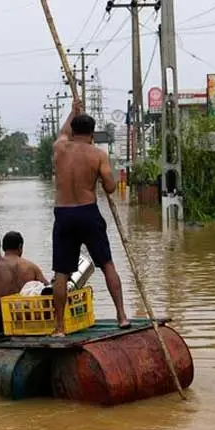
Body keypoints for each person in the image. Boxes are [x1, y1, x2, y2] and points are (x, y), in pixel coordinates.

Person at [52, 100, 130, 333]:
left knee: (62, 273)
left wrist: (72, 111)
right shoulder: (97, 155)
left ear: (73, 131)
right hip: (87, 212)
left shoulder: (59, 148)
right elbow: (110, 187)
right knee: (107, 264)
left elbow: (62, 132)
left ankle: (59, 327)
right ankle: (122, 316)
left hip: (64, 213)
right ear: (92, 133)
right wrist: (101, 175)